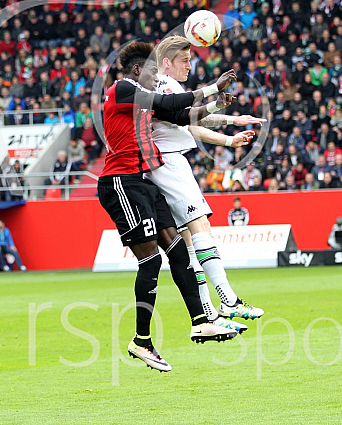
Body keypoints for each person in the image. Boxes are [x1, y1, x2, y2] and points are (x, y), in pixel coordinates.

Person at [96, 41, 240, 371]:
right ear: (136, 70)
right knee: (151, 260)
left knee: (177, 250)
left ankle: (201, 321)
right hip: (122, 182)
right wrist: (212, 87)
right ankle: (141, 342)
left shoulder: (141, 98)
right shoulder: (123, 89)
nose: (156, 74)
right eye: (151, 69)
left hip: (143, 181)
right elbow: (168, 100)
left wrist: (215, 104)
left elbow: (178, 114)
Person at [146, 36, 265, 329]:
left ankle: (210, 313)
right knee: (200, 227)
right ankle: (228, 300)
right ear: (166, 63)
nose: (190, 65)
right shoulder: (167, 86)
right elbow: (191, 120)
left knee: (188, 239)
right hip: (169, 163)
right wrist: (229, 126)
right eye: (185, 60)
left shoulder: (160, 88)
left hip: (160, 164)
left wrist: (232, 128)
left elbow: (189, 122)